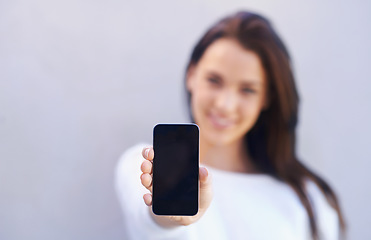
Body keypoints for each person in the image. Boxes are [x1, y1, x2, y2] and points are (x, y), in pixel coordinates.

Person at [115, 11, 346, 240]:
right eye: (214, 80)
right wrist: (168, 216)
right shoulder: (142, 163)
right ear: (191, 75)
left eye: (247, 89)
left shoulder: (308, 198)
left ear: (266, 97)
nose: (225, 105)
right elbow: (148, 224)